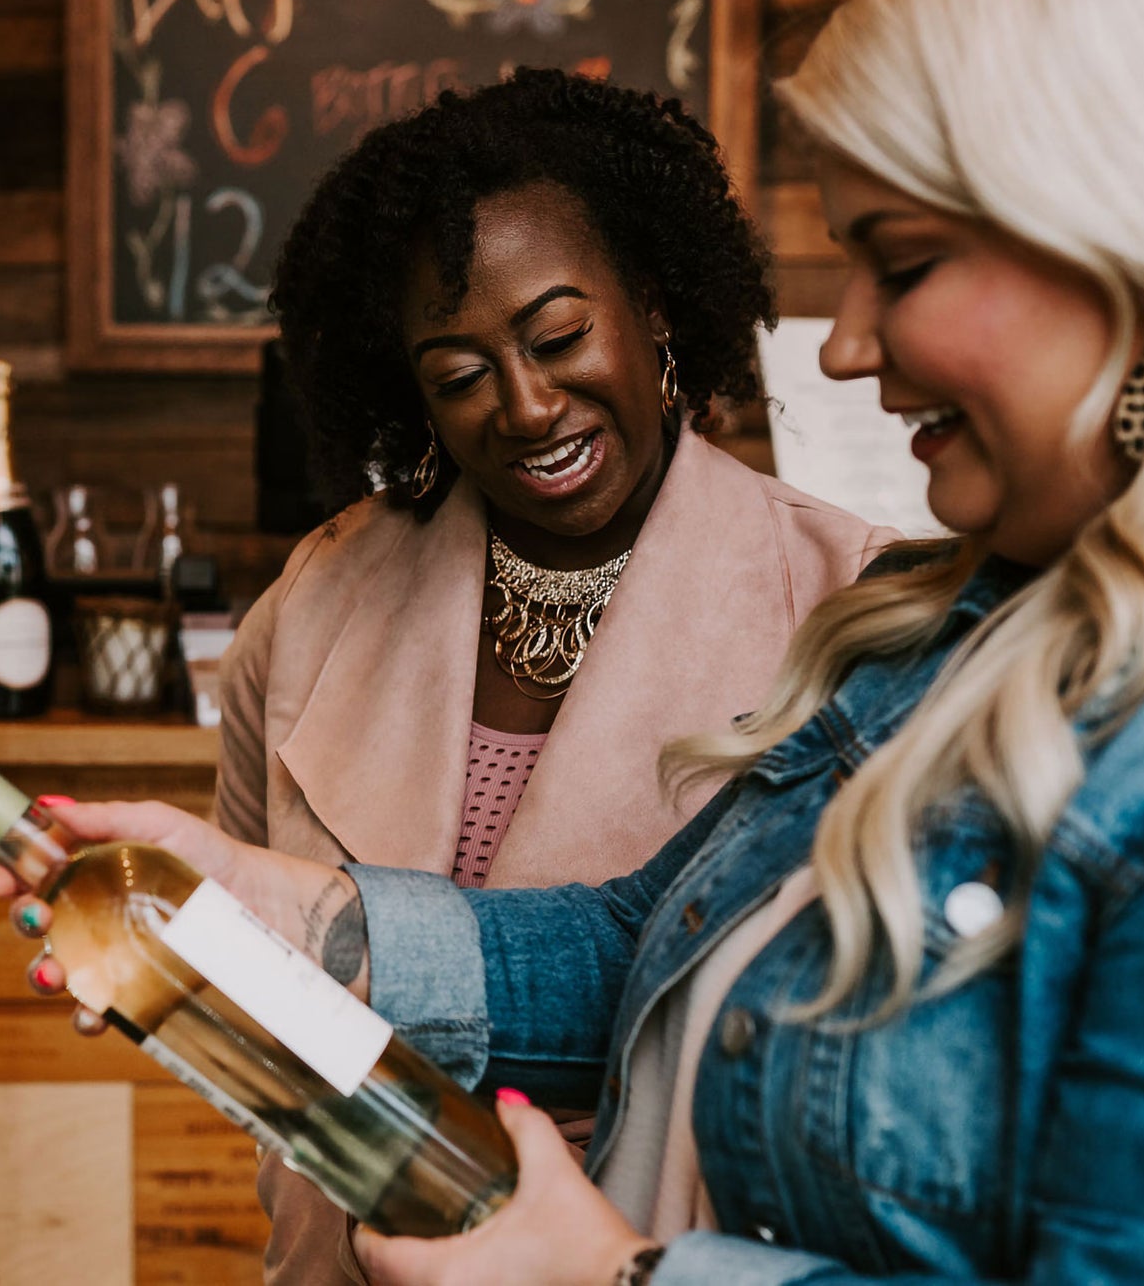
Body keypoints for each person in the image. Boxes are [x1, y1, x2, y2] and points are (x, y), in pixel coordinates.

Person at [0, 0, 1144, 1280]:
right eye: (462, 366)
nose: (840, 342)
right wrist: (286, 911)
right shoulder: (967, 621)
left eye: (897, 263)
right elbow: (642, 947)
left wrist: (615, 1272)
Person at [200, 69, 890, 1281]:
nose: (525, 406)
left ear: (659, 303)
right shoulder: (312, 604)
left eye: (560, 337)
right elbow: (259, 1001)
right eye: (459, 376)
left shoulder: (855, 608)